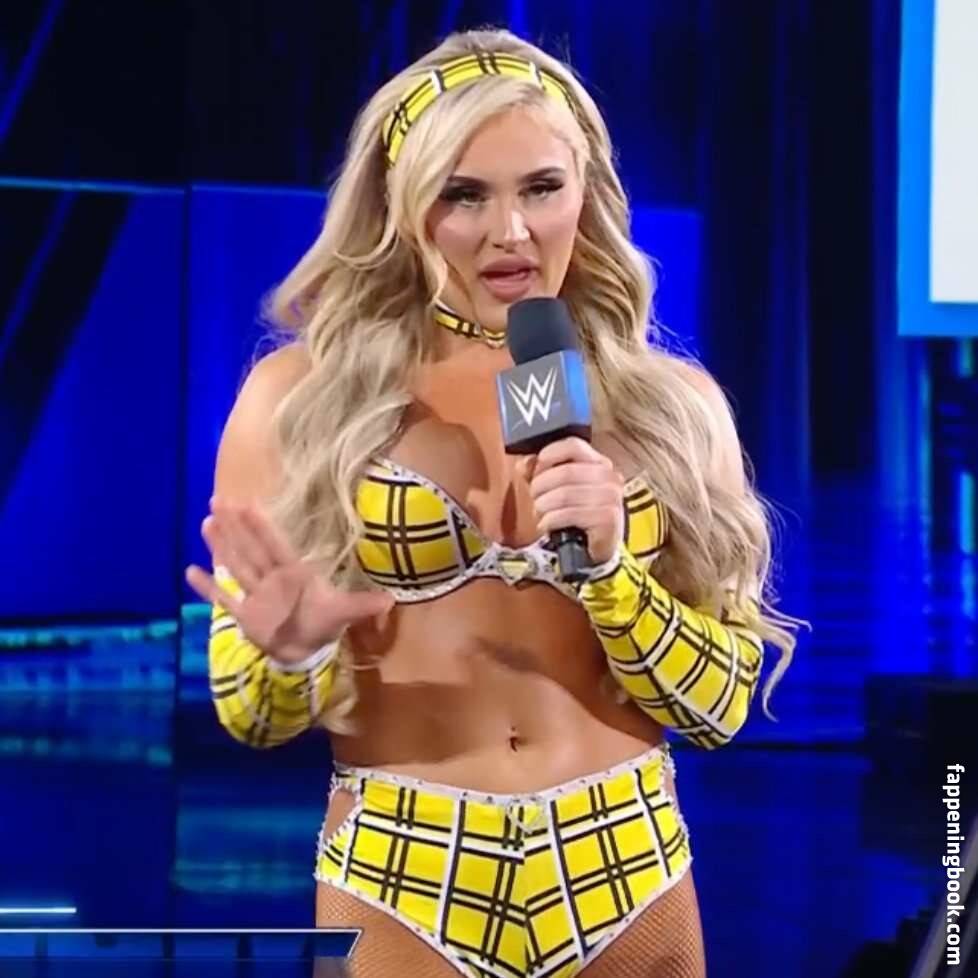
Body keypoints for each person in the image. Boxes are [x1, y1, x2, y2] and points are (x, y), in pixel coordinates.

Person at [184, 27, 806, 978]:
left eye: (541, 188)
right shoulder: (301, 402)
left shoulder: (673, 408)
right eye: (464, 194)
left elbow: (719, 708)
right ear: (402, 208)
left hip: (626, 870)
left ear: (587, 191)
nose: (510, 232)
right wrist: (293, 652)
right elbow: (253, 716)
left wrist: (611, 573)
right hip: (402, 874)